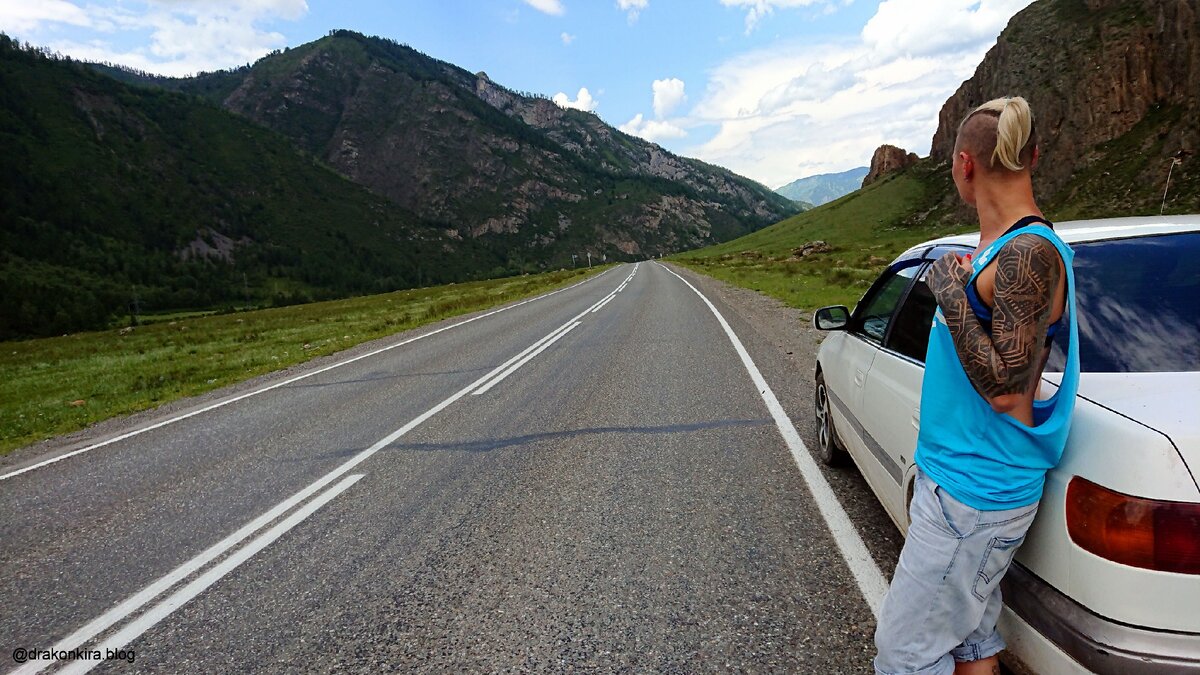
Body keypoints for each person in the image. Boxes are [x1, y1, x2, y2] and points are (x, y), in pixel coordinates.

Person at [873, 96, 1081, 675]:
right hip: (966, 483)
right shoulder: (1002, 250)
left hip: (975, 492)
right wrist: (964, 290)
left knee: (903, 654)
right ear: (1033, 154)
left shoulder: (1030, 254)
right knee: (971, 643)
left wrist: (947, 291)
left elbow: (1007, 388)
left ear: (964, 165)